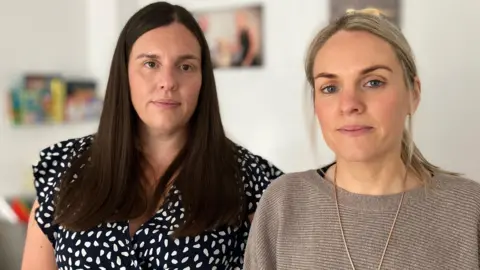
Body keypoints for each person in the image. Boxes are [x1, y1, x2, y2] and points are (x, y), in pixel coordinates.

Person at [21, 2, 283, 269]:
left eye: (185, 66)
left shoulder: (252, 181)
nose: (167, 81)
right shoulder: (66, 168)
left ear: (203, 78)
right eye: (151, 63)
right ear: (124, 73)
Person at [244, 9, 480, 270]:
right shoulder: (282, 203)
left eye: (373, 82)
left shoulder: (468, 209)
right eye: (330, 88)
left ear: (413, 94)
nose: (349, 105)